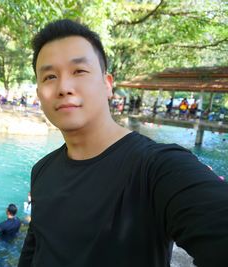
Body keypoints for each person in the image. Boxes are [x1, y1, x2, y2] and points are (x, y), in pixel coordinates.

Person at [18, 19, 228, 267]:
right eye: (50, 76)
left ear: (108, 85)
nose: (64, 87)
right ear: (39, 92)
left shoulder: (158, 168)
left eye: (79, 71)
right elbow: (33, 251)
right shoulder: (42, 170)